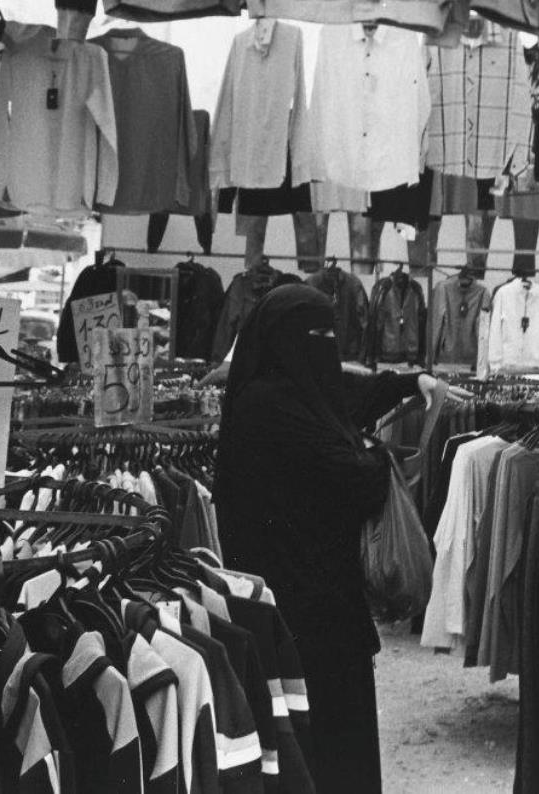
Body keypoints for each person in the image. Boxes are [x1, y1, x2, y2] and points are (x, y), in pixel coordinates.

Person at [214, 285, 460, 794]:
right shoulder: (270, 409)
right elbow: (357, 479)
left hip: (312, 607)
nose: (327, 346)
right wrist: (376, 456)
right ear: (287, 341)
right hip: (304, 616)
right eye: (317, 335)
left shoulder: (282, 393)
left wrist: (412, 381)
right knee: (325, 749)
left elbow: (350, 393)